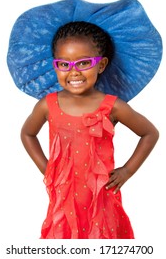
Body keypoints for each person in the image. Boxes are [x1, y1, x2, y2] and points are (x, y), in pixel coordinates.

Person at [20, 21, 159, 239]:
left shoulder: (113, 106)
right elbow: (27, 134)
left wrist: (127, 171)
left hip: (102, 199)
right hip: (63, 200)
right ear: (55, 66)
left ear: (101, 65)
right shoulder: (48, 105)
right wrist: (47, 169)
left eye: (84, 63)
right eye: (64, 64)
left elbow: (150, 133)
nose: (73, 72)